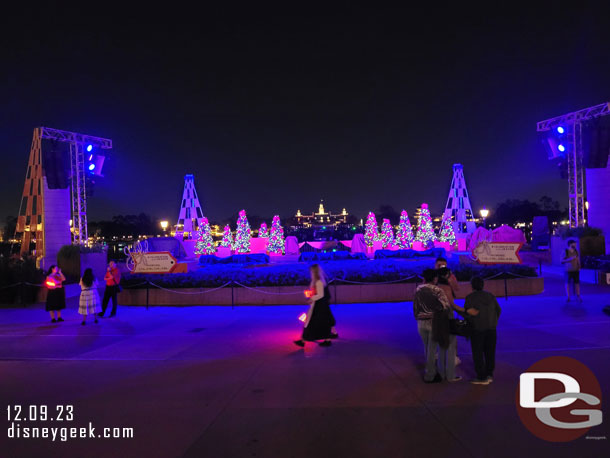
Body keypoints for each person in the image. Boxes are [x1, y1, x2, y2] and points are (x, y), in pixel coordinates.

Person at [413, 269, 459, 383]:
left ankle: (430, 372)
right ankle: (430, 375)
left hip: (421, 322)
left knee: (427, 348)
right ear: (435, 279)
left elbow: (415, 306)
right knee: (432, 350)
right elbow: (445, 307)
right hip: (433, 322)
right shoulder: (438, 291)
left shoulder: (418, 289)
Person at [465, 277, 501, 385]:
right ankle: (489, 373)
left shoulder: (470, 297)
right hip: (491, 328)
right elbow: (498, 310)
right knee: (490, 352)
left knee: (478, 352)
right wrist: (493, 320)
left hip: (477, 328)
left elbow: (468, 314)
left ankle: (481, 376)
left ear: (472, 286)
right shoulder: (490, 296)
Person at [294, 264, 336, 347]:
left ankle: (303, 340)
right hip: (319, 305)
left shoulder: (318, 282)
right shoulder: (318, 281)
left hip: (318, 306)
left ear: (314, 272)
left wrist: (311, 299)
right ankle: (326, 339)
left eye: (311, 271)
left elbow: (320, 295)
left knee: (311, 323)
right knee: (318, 323)